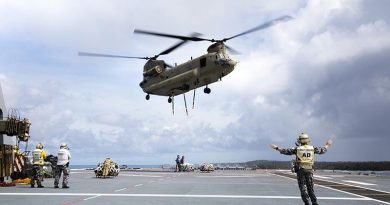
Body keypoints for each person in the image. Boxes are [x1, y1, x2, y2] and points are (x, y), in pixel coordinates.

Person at [270, 133, 333, 205]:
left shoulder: (297, 149)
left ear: (300, 141)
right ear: (307, 140)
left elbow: (285, 151)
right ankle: (314, 203)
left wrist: (276, 148)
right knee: (310, 188)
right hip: (310, 170)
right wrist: (328, 144)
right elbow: (323, 150)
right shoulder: (312, 148)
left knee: (303, 188)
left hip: (301, 171)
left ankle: (306, 203)